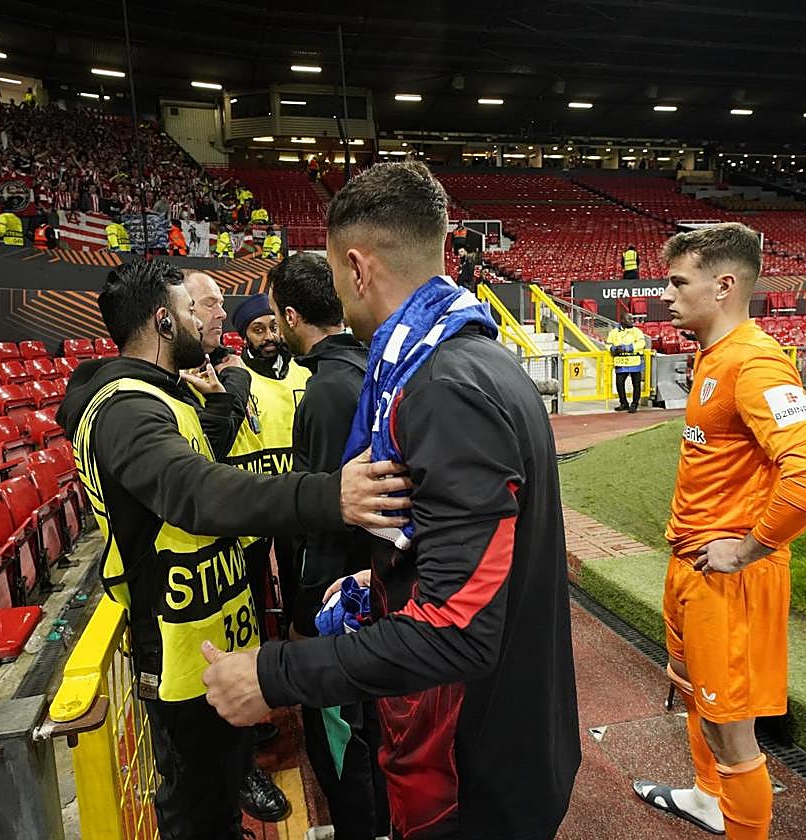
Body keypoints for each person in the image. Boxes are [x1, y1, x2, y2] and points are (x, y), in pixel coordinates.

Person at [201, 161, 582, 840]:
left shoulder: (441, 387)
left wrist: (273, 674)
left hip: (470, 773)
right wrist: (384, 583)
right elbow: (477, 556)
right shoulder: (478, 357)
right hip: (505, 740)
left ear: (355, 267)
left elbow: (457, 629)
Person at [56, 261, 411, 840]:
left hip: (211, 633)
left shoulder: (162, 396)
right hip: (177, 650)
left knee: (219, 789)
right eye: (190, 311)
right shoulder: (124, 407)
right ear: (163, 322)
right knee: (195, 805)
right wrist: (329, 495)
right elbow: (193, 491)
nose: (204, 321)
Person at [632, 223, 806, 840]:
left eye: (678, 282)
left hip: (731, 582)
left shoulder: (755, 362)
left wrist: (750, 547)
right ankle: (707, 799)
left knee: (732, 730)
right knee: (692, 689)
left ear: (723, 286)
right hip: (691, 567)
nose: (664, 295)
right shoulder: (713, 354)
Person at [267, 253, 390, 840]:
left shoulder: (326, 391)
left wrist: (304, 615)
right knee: (376, 731)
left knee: (343, 740)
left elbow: (330, 520)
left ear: (292, 316)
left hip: (341, 604)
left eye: (275, 316)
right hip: (377, 584)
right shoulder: (369, 366)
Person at [182, 271, 291, 822]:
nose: (220, 314)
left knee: (245, 631)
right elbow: (210, 447)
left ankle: (243, 744)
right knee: (209, 654)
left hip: (236, 537)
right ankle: (238, 768)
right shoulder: (176, 383)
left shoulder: (221, 368)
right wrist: (231, 391)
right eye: (209, 305)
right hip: (194, 552)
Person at [228, 295, 312, 635]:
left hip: (296, 495)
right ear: (245, 336)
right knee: (252, 582)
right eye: (258, 330)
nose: (269, 337)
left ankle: (295, 638)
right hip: (257, 498)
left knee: (297, 579)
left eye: (273, 327)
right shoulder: (237, 379)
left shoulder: (304, 371)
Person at [608, 313, 647, 412]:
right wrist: (613, 349)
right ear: (622, 320)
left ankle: (634, 404)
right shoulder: (614, 332)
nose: (632, 321)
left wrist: (629, 348)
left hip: (634, 362)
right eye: (629, 319)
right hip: (621, 363)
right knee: (619, 383)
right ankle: (623, 403)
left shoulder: (637, 331)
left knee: (636, 384)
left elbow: (642, 343)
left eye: (632, 319)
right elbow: (608, 344)